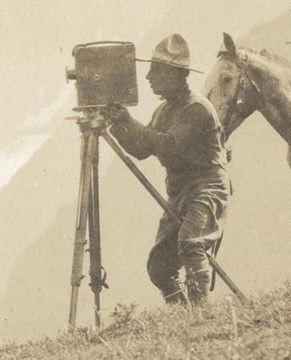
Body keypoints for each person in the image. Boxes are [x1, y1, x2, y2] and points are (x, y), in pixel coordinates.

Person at [103, 34, 231, 305]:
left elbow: (171, 146)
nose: (148, 77)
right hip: (180, 191)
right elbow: (141, 149)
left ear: (176, 74)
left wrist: (131, 122)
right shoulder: (164, 111)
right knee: (160, 267)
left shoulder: (197, 109)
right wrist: (118, 125)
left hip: (207, 187)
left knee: (192, 244)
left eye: (156, 70)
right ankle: (185, 314)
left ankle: (201, 314)